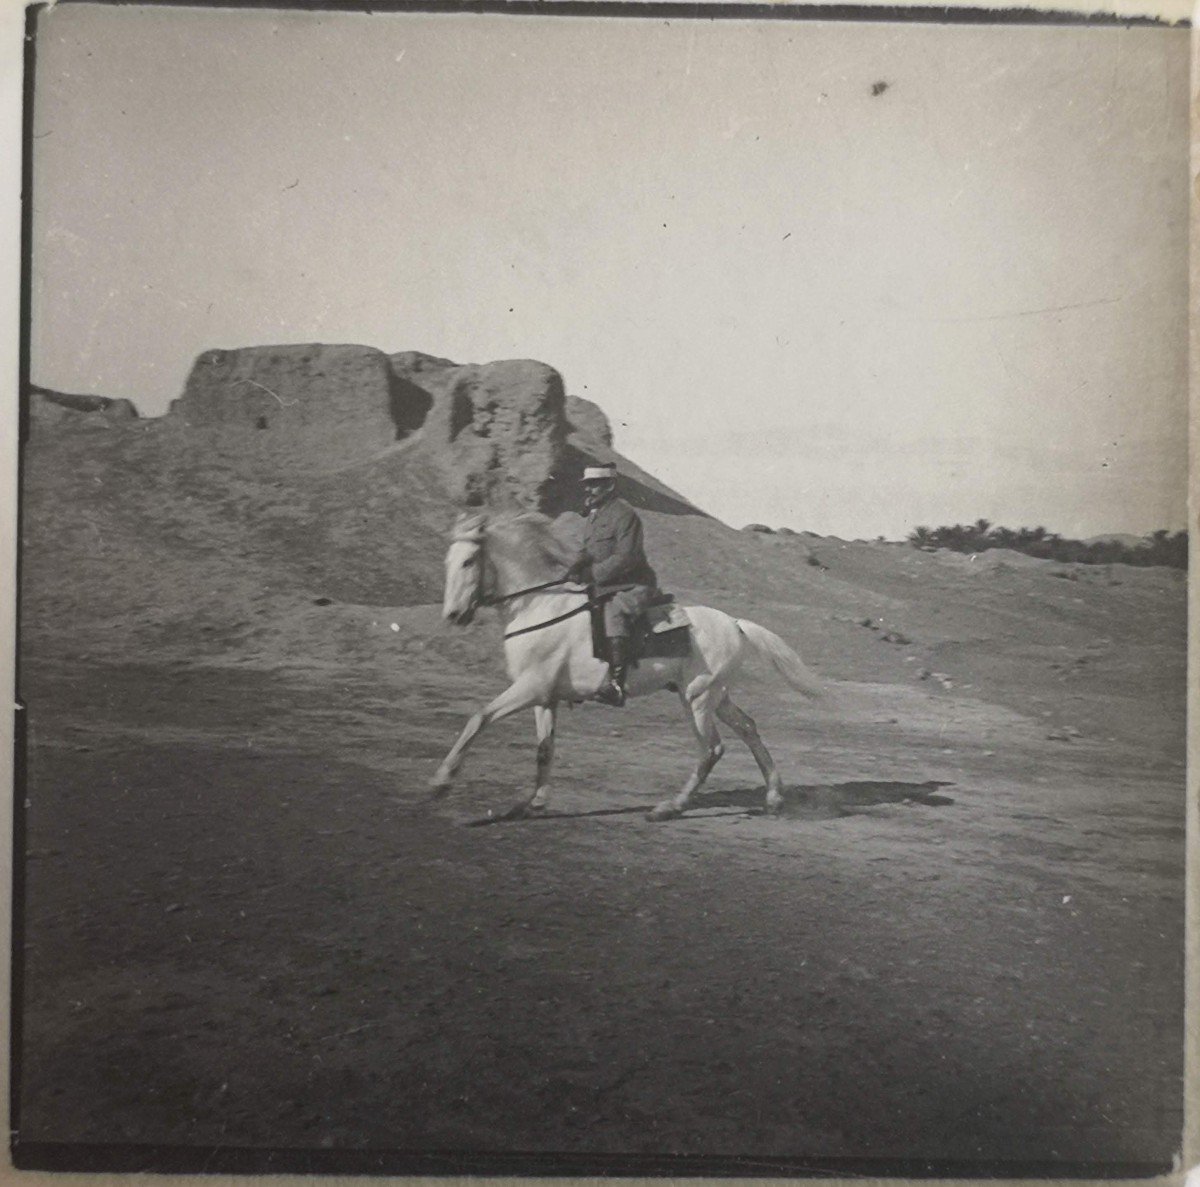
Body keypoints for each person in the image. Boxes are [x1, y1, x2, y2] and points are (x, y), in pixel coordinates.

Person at [566, 463, 658, 707]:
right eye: (588, 485)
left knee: (613, 613)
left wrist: (593, 573)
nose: (590, 490)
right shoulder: (595, 517)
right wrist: (574, 568)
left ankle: (617, 686)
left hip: (633, 585)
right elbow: (588, 550)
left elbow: (627, 557)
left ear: (610, 486)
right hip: (605, 585)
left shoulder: (625, 515)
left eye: (595, 485)